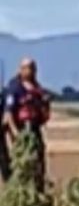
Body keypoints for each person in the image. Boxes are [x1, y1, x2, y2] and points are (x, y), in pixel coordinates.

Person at [1, 57, 51, 191]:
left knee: (38, 162)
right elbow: (8, 114)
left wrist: (46, 106)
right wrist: (16, 134)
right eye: (28, 68)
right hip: (20, 130)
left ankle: (38, 191)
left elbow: (44, 115)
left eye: (33, 68)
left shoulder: (38, 89)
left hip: (34, 130)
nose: (31, 71)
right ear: (21, 70)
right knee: (21, 162)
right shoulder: (15, 88)